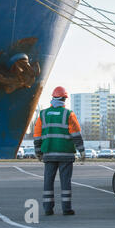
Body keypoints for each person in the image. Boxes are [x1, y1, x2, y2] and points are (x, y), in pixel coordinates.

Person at [33, 86, 85, 216]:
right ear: (64, 99)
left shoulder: (43, 114)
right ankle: (66, 209)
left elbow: (37, 135)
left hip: (49, 154)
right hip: (66, 154)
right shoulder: (69, 114)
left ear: (53, 98)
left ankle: (48, 209)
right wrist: (82, 151)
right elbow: (76, 134)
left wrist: (38, 151)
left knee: (48, 182)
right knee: (65, 182)